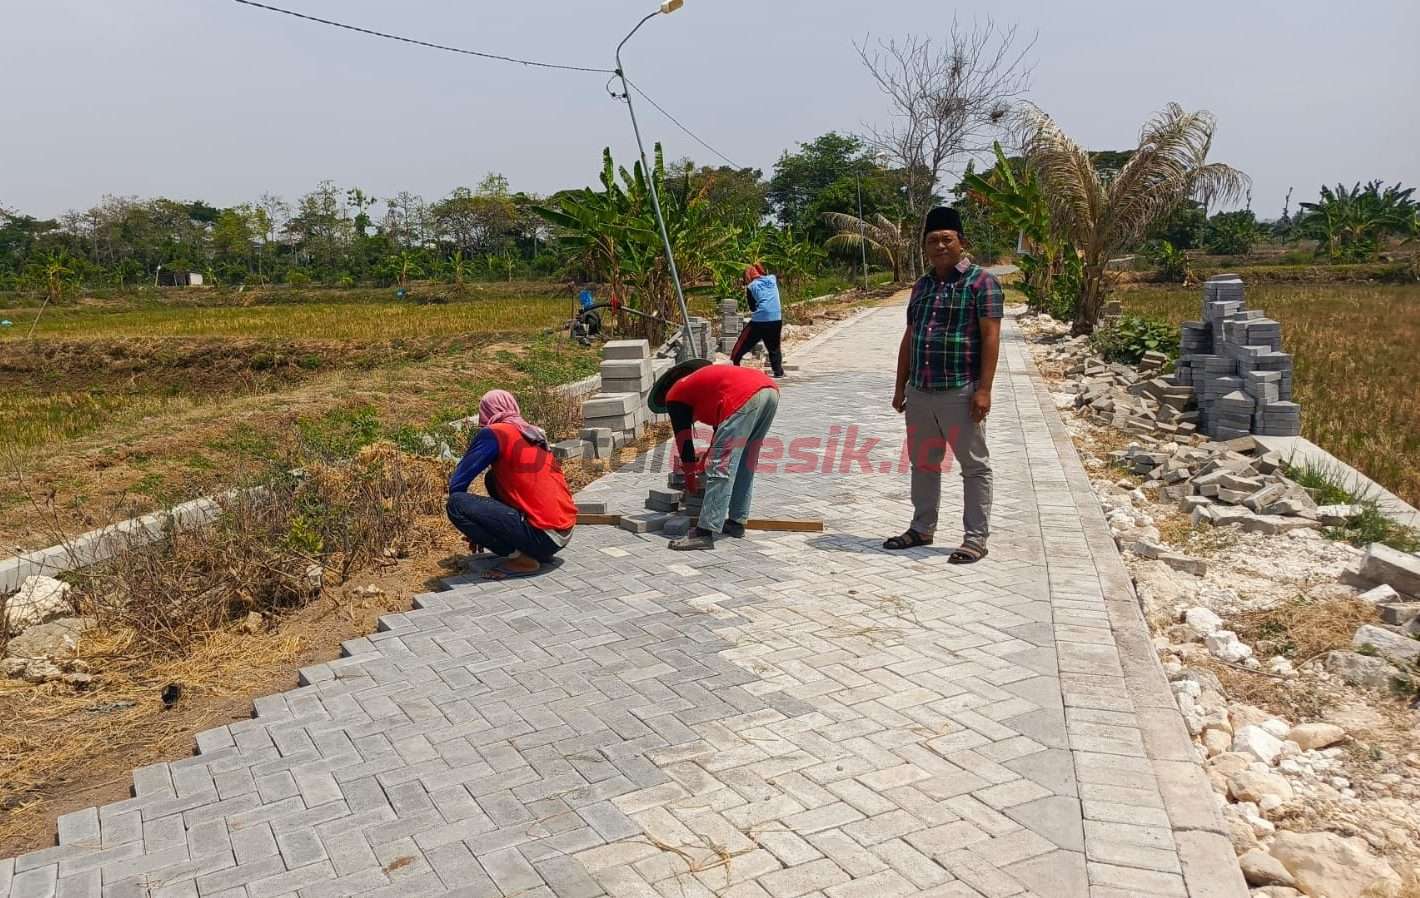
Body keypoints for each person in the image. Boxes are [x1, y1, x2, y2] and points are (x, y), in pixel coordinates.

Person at [883, 206, 1003, 564]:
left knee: (974, 466)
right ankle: (922, 528)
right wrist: (900, 386)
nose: (940, 246)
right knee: (923, 463)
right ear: (925, 246)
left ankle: (975, 539)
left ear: (961, 242)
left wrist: (984, 390)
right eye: (932, 240)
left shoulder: (981, 282)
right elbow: (911, 336)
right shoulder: (922, 285)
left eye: (946, 239)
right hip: (921, 390)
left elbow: (991, 337)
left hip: (960, 389)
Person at [648, 360, 779, 551]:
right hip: (769, 390)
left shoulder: (674, 396)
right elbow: (720, 436)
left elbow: (684, 441)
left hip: (743, 396)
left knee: (720, 467)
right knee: (744, 462)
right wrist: (705, 459)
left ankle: (704, 533)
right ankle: (736, 522)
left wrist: (690, 476)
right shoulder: (705, 388)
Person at [446, 390, 577, 579]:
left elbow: (457, 484)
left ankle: (521, 560)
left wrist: (477, 530)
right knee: (493, 479)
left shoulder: (495, 432)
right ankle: (529, 550)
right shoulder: (531, 432)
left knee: (456, 504)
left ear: (487, 412)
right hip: (564, 533)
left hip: (543, 537)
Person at [730, 264, 786, 378]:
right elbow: (766, 272)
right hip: (776, 318)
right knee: (774, 347)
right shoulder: (772, 279)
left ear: (748, 277)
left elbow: (752, 308)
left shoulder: (751, 287)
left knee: (744, 342)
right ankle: (778, 372)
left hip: (760, 320)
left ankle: (734, 362)